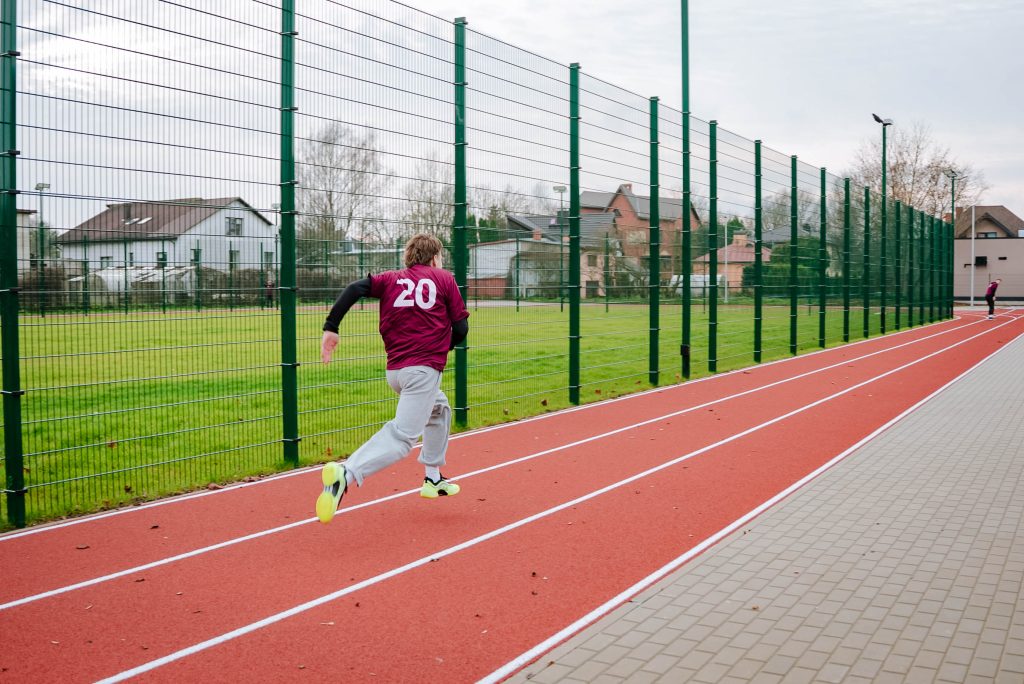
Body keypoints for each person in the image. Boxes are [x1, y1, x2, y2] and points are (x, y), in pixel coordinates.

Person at [316, 233, 469, 524]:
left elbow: (354, 288)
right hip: (423, 371)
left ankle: (433, 478)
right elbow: (461, 330)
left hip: (396, 372)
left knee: (439, 409)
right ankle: (346, 473)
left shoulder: (390, 279)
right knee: (402, 438)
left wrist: (331, 326)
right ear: (435, 258)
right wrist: (441, 346)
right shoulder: (444, 279)